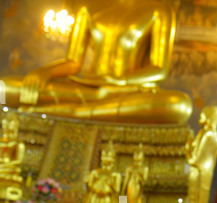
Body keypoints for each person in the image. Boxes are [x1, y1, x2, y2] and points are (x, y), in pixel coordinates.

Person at [2, 0, 192, 124]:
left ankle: (56, 113)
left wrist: (120, 82)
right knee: (4, 89)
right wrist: (43, 72)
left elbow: (159, 69)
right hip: (88, 88)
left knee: (178, 105)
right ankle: (71, 112)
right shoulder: (90, 5)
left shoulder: (158, 9)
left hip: (126, 92)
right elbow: (74, 62)